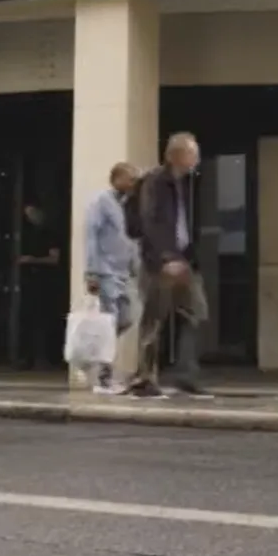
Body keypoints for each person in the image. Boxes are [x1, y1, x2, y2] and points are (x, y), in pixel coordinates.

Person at [130, 131, 209, 399]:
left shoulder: (187, 184)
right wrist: (166, 257)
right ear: (176, 155)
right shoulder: (155, 182)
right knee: (154, 318)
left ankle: (186, 373)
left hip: (184, 258)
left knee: (196, 312)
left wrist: (186, 256)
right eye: (192, 153)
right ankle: (145, 378)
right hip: (160, 262)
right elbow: (150, 220)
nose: (196, 159)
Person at [82, 162, 141, 394]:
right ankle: (104, 378)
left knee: (127, 317)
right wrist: (91, 272)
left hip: (124, 272)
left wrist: (135, 266)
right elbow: (91, 236)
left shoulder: (129, 204)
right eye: (131, 178)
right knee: (109, 321)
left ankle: (97, 354)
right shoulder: (101, 202)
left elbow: (132, 237)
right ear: (116, 179)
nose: (134, 183)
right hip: (105, 270)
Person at [15, 203, 63, 370]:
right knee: (28, 319)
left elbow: (54, 259)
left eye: (33, 213)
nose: (30, 217)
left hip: (45, 283)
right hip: (30, 282)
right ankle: (27, 357)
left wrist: (32, 260)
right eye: (27, 214)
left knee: (45, 319)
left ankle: (47, 357)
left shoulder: (50, 234)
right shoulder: (27, 235)